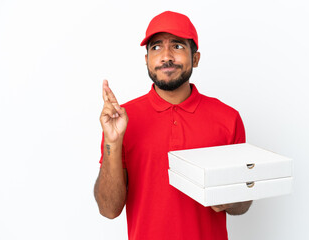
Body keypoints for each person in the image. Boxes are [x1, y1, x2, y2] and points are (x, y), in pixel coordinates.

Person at [94, 11, 252, 240]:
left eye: (177, 46)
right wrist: (112, 142)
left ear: (195, 58)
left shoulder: (228, 118)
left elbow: (243, 204)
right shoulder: (122, 120)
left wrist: (228, 196)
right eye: (156, 47)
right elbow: (109, 210)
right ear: (146, 59)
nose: (166, 56)